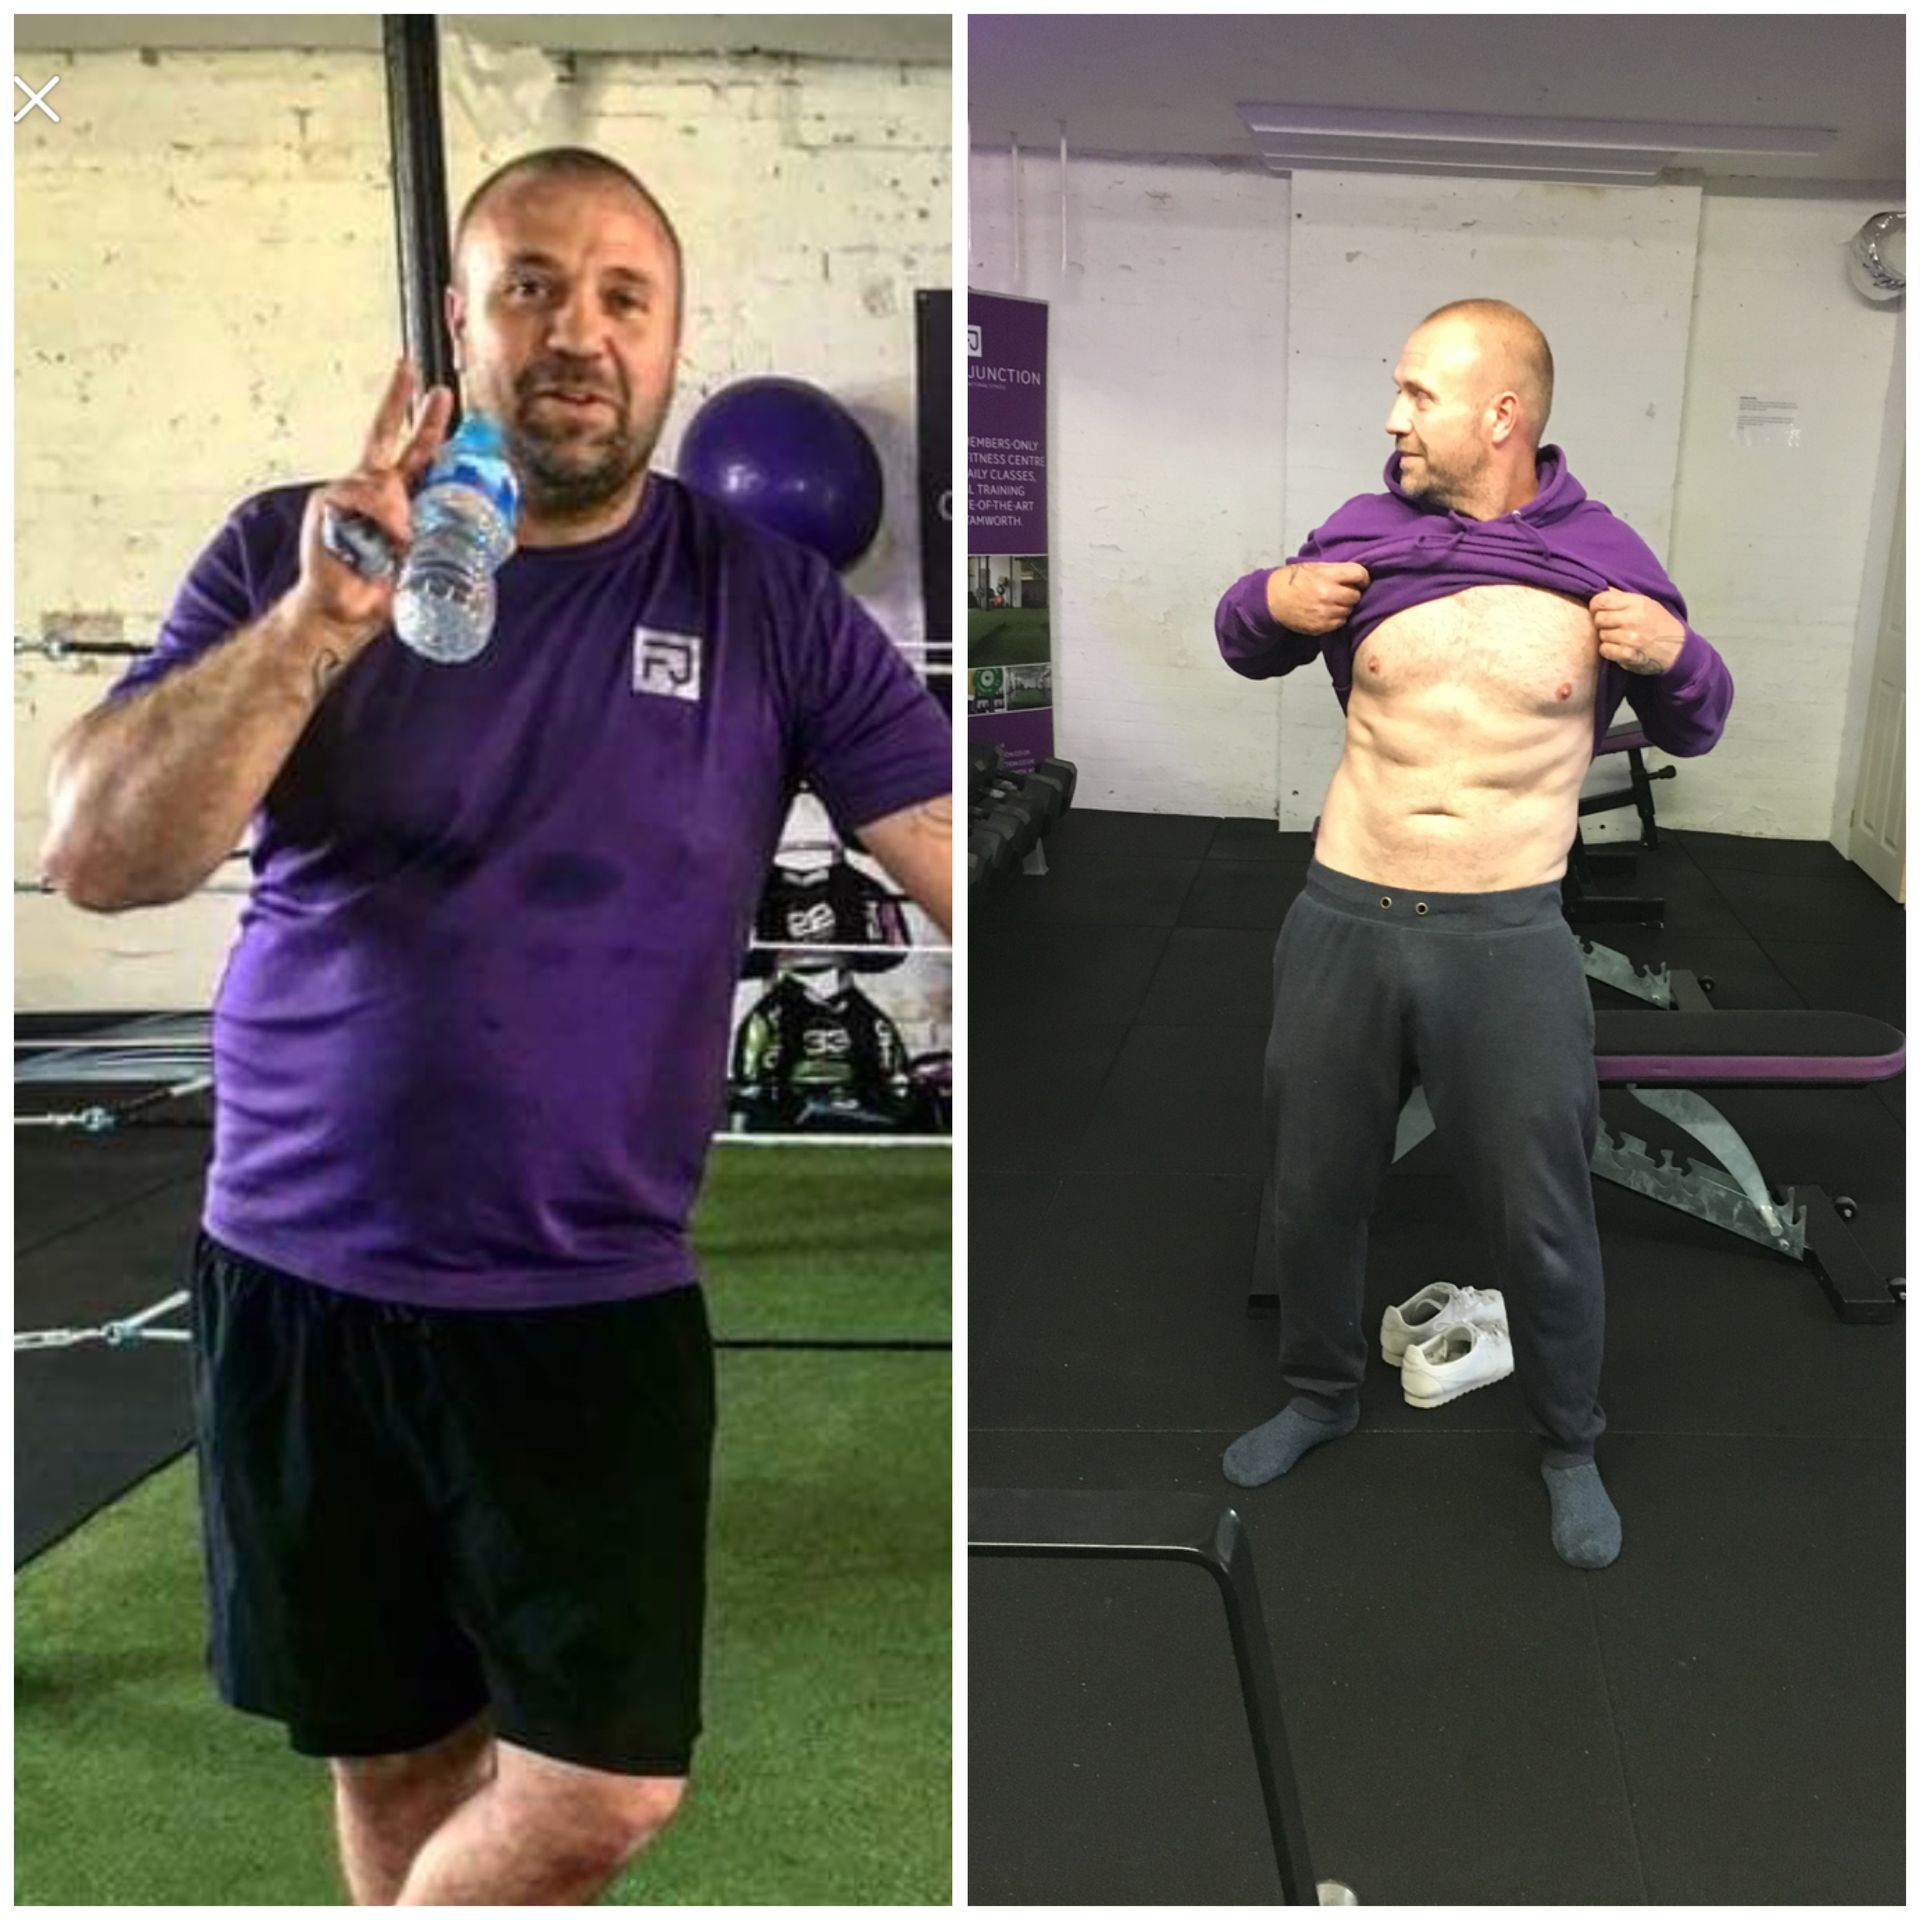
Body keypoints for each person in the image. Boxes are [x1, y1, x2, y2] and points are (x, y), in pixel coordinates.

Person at [40, 146, 953, 1904]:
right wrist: (315, 627)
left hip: (582, 1297)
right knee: (392, 1750)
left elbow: (941, 857)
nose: (578, 332)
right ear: (461, 322)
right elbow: (96, 854)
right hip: (302, 1275)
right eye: (532, 285)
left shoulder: (764, 600)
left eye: (625, 295)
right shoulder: (290, 550)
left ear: (678, 340)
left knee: (604, 1789)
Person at [1213, 298, 1732, 1572]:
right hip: (1345, 911)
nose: (1393, 418)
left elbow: (1697, 720)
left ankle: (1568, 1442)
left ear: (1501, 414)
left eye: (1416, 395)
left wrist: (1676, 652)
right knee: (1318, 1184)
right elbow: (1243, 638)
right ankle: (1321, 1395)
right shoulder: (1362, 535)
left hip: (1507, 934)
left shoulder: (1604, 556)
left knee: (1542, 1211)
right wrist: (1273, 595)